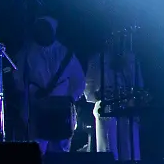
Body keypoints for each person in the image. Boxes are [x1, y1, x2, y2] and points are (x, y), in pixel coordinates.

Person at [16, 16, 85, 155]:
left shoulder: (65, 53)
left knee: (61, 148)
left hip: (61, 108)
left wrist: (71, 98)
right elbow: (18, 78)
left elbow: (78, 79)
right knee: (37, 147)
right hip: (37, 107)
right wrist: (30, 92)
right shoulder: (26, 53)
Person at [84, 33, 144, 160]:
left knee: (129, 147)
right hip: (106, 108)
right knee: (108, 148)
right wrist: (99, 95)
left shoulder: (131, 59)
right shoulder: (97, 59)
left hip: (128, 109)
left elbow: (139, 86)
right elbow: (88, 89)